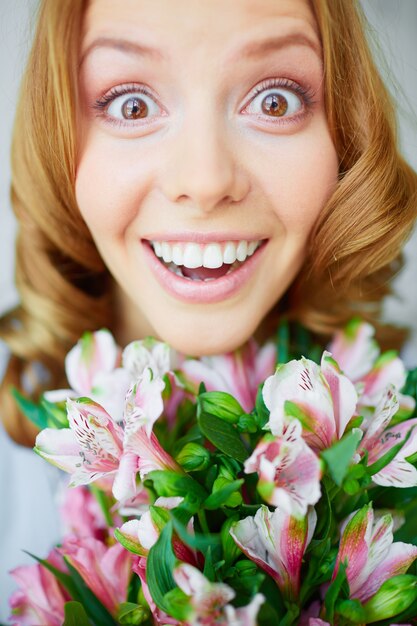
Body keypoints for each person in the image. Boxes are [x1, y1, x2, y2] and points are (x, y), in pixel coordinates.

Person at [0, 0, 416, 618]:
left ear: (344, 137)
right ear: (56, 143)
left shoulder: (396, 413)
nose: (206, 178)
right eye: (130, 104)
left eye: (275, 99)